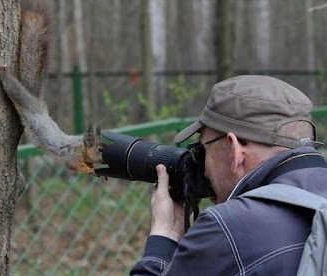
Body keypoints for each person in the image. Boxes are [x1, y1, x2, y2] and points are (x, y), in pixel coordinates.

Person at [130, 75, 327, 275]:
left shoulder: (228, 229)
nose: (203, 169)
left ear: (235, 149)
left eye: (202, 150)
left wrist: (163, 238)